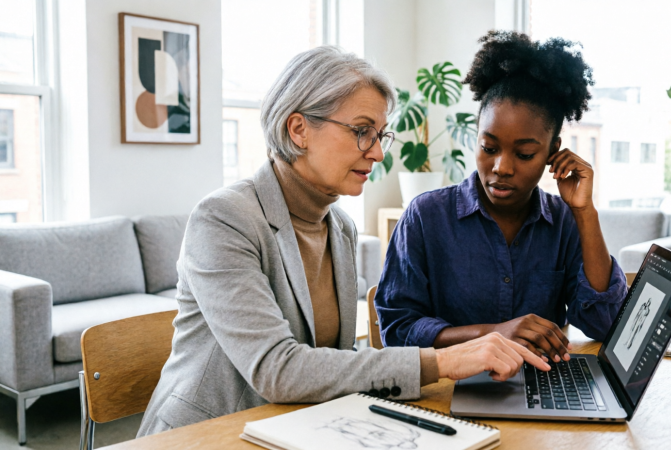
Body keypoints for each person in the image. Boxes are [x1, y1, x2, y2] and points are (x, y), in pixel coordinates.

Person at [137, 46, 545, 437]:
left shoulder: (340, 227)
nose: (378, 153)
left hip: (293, 428)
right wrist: (443, 360)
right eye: (362, 132)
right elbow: (276, 370)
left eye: (381, 135)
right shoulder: (224, 218)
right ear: (298, 129)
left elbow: (335, 360)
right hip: (206, 434)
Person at [375, 31, 628, 363]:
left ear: (553, 152)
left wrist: (585, 212)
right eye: (489, 148)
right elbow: (397, 329)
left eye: (524, 154)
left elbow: (605, 323)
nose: (502, 167)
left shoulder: (563, 221)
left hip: (540, 386)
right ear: (476, 135)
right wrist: (492, 334)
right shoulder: (426, 216)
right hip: (447, 393)